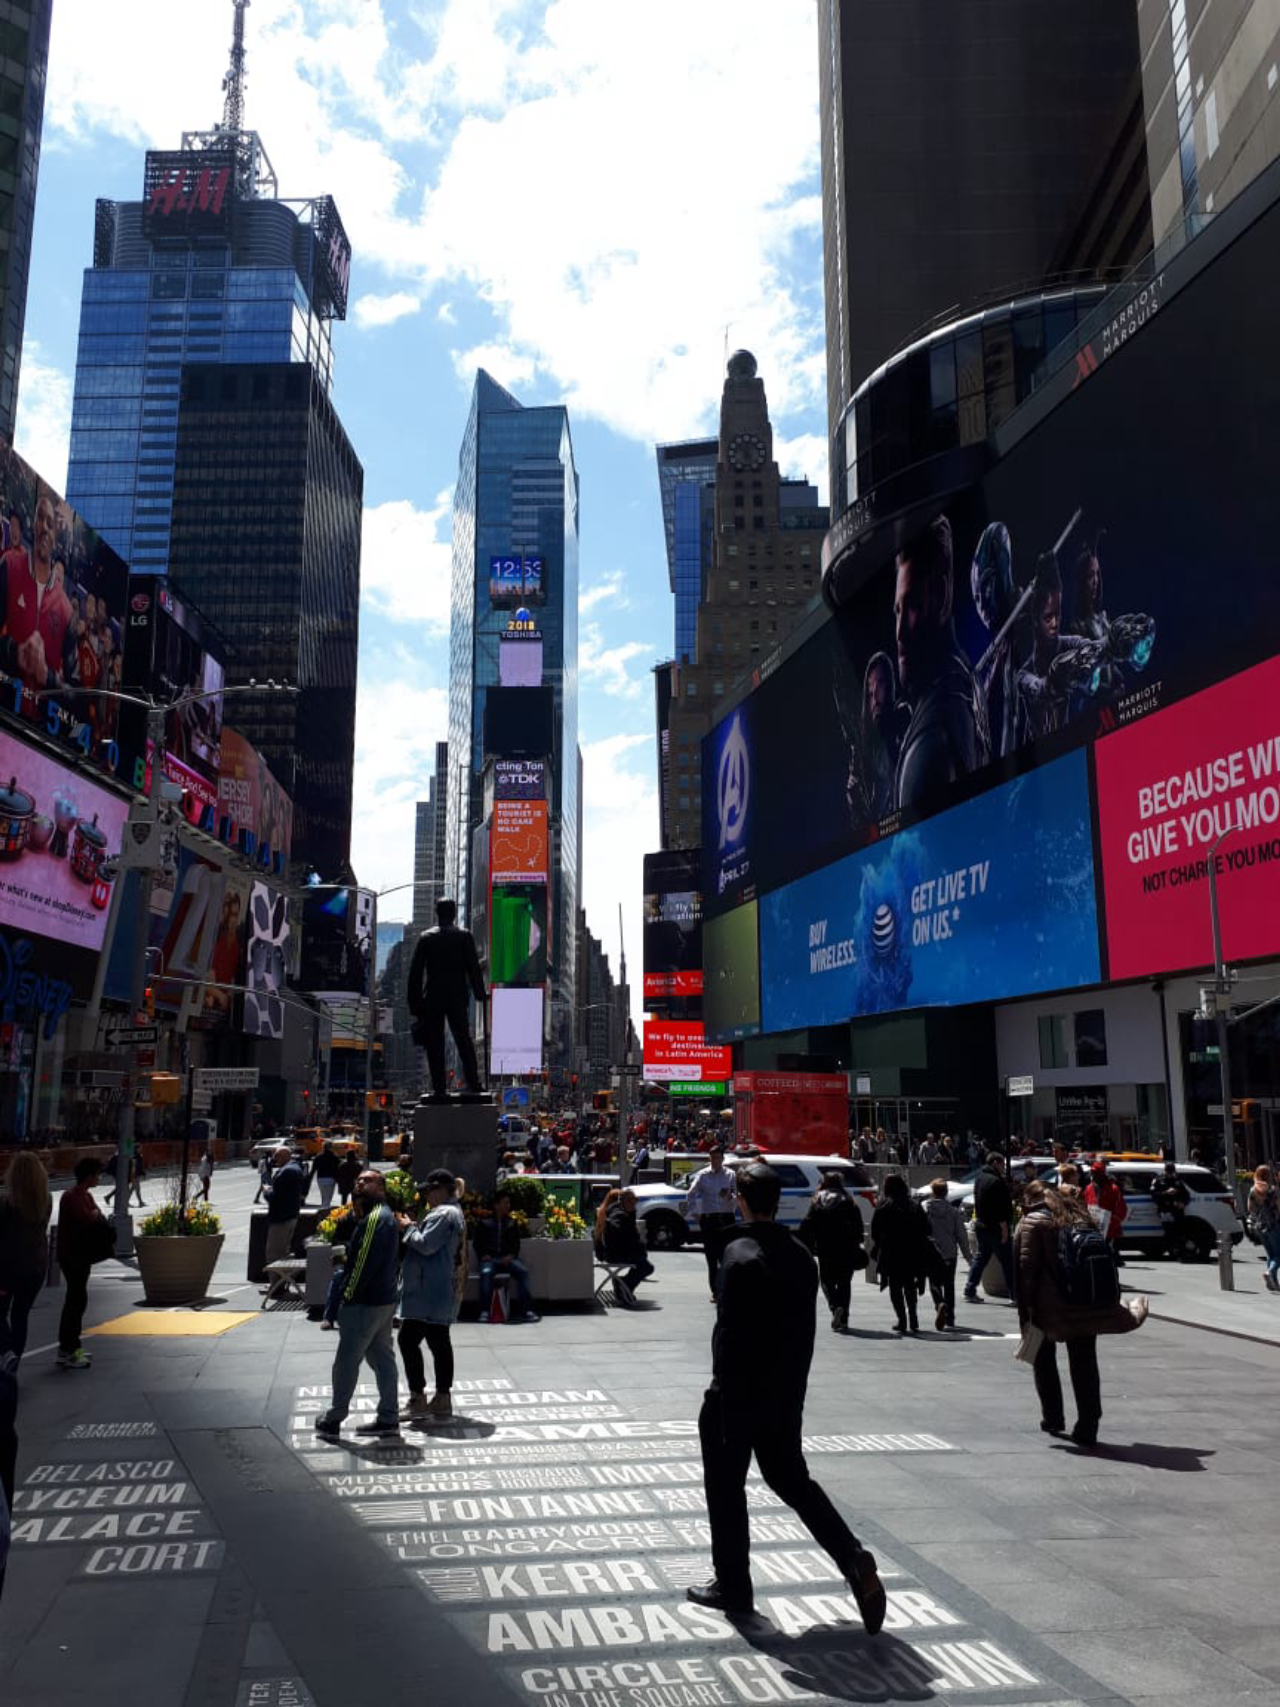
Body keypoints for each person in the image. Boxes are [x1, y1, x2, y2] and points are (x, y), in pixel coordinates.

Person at [686, 1161, 886, 1630]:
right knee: (793, 1481)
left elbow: (730, 1336)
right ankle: (852, 1557)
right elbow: (804, 1333)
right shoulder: (800, 1254)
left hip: (736, 1395)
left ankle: (734, 1585)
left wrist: (721, 1396)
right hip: (784, 1393)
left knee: (726, 1488)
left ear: (740, 1198)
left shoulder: (738, 1253)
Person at [1014, 1181, 1148, 1449]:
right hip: (1085, 1299)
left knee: (1043, 1359)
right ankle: (1088, 1425)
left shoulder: (1032, 1221)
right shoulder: (1079, 1216)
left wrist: (1024, 1308)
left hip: (1048, 1305)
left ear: (1031, 1198)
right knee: (1085, 1362)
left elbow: (1025, 1269)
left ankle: (1052, 1417)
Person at [892, 514, 987, 813]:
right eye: (897, 611)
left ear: (943, 593)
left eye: (913, 606)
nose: (900, 632)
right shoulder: (963, 677)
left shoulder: (930, 741)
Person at [313, 1170, 402, 1440]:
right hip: (383, 1300)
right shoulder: (382, 1217)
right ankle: (389, 1417)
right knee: (382, 1359)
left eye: (369, 1180)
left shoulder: (375, 1219)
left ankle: (334, 1418)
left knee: (346, 1363)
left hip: (364, 1303)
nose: (361, 1182)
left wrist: (346, 1296)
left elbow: (363, 1263)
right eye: (359, 1179)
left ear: (382, 1190)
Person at [398, 1168, 468, 1422]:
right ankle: (441, 1399)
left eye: (430, 1190)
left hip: (429, 1291)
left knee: (409, 1341)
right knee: (438, 1343)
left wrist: (407, 1227)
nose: (426, 1195)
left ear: (442, 1190)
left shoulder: (444, 1213)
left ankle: (420, 1399)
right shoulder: (451, 1212)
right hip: (436, 1289)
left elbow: (426, 1245)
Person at [406, 897, 487, 1098]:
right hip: (457, 997)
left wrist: (415, 1005)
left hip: (433, 997)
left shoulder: (426, 938)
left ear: (437, 913)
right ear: (453, 914)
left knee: (435, 1043)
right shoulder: (464, 936)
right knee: (464, 1040)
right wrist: (480, 993)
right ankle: (474, 1083)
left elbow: (414, 975)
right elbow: (474, 969)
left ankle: (439, 1088)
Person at [56, 1158, 109, 1370]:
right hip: (72, 1256)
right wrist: (95, 1214)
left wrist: (95, 1215)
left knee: (78, 1301)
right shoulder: (72, 1196)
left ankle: (71, 1349)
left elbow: (98, 1216)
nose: (99, 1177)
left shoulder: (86, 1195)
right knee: (75, 1302)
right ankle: (68, 1350)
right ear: (89, 1175)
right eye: (97, 1174)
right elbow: (89, 1217)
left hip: (82, 1255)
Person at [798, 1171, 865, 1333]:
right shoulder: (847, 1199)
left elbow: (808, 1222)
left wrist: (806, 1242)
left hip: (825, 1246)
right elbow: (857, 1222)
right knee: (844, 1281)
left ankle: (835, 1306)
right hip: (846, 1245)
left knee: (826, 1280)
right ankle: (844, 1318)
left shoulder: (818, 1198)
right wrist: (858, 1240)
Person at [0, 1153, 51, 1360]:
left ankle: (6, 1351)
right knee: (21, 1316)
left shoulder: (6, 1204)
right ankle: (14, 1363)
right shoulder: (46, 1201)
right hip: (35, 1269)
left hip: (7, 1269)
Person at [869, 1173, 930, 1334]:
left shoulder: (884, 1206)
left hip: (892, 1253)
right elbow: (926, 1229)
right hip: (912, 1252)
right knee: (910, 1285)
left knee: (895, 1287)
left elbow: (875, 1231)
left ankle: (902, 1320)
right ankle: (913, 1316)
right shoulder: (914, 1205)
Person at [473, 1192, 539, 1323]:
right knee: (486, 1273)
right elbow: (477, 1243)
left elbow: (516, 1244)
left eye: (508, 1203)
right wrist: (483, 1255)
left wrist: (511, 1256)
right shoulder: (484, 1223)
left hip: (507, 1258)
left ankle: (525, 1310)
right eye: (505, 1203)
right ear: (496, 1205)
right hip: (490, 1259)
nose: (508, 1206)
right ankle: (485, 1311)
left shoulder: (511, 1223)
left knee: (523, 1272)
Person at [684, 1145, 739, 1303]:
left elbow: (737, 1195)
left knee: (727, 1256)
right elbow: (690, 1194)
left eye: (718, 1158)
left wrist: (730, 1197)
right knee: (711, 1257)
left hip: (726, 1218)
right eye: (712, 1158)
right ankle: (715, 1291)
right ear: (709, 1159)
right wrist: (695, 1214)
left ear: (722, 1159)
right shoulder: (702, 1175)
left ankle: (726, 1288)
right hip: (709, 1219)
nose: (715, 1161)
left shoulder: (730, 1175)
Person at [964, 1151, 1016, 1303]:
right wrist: (1004, 1229)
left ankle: (970, 1289)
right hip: (996, 1227)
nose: (1003, 1167)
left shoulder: (980, 1179)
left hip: (982, 1224)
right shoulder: (995, 1181)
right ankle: (1013, 1294)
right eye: (1002, 1164)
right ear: (995, 1163)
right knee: (1007, 1260)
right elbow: (1000, 1208)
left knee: (981, 1257)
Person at [923, 1177, 970, 1330]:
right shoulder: (953, 1211)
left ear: (933, 1192)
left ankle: (939, 1302)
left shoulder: (925, 1208)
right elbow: (961, 1235)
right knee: (949, 1284)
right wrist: (968, 1256)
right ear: (946, 1193)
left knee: (934, 1282)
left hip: (931, 1251)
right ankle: (950, 1317)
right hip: (950, 1252)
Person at [600, 1188, 654, 1305]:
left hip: (617, 1251)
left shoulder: (622, 1212)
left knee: (643, 1262)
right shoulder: (619, 1215)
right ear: (622, 1201)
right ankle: (624, 1287)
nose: (634, 1203)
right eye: (630, 1200)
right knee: (647, 1267)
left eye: (635, 1200)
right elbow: (624, 1235)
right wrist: (639, 1244)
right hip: (617, 1253)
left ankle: (623, 1286)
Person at [262, 1146, 305, 1274]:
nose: (275, 1161)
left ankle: (276, 1285)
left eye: (276, 1158)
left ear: (283, 1156)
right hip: (292, 1215)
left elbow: (275, 1197)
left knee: (274, 1253)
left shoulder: (285, 1172)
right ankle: (282, 1283)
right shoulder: (296, 1168)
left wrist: (266, 1191)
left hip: (281, 1218)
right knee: (284, 1251)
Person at [1084, 1160, 1127, 1267]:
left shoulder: (1113, 1189)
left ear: (1102, 1174)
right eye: (1092, 1173)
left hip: (1109, 1229)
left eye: (1096, 1173)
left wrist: (1112, 1222)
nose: (1093, 1176)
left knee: (1109, 1258)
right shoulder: (1089, 1188)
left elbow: (1121, 1208)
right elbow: (1085, 1205)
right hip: (1093, 1228)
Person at [1247, 1165, 1280, 1293]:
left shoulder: (1252, 1190)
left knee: (1270, 1254)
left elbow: (1250, 1209)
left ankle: (1272, 1283)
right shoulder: (1273, 1190)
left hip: (1260, 1226)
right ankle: (1270, 1272)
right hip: (1273, 1225)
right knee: (1278, 1254)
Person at [1151, 1162, 1192, 1262]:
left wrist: (1183, 1203)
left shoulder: (1177, 1180)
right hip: (1165, 1209)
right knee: (1169, 1232)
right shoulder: (1158, 1180)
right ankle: (1172, 1252)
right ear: (1164, 1171)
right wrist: (1166, 1193)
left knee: (1180, 1232)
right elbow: (1154, 1195)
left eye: (1171, 1172)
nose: (1170, 1174)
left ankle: (1181, 1254)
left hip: (1177, 1210)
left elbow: (1187, 1195)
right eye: (1168, 1172)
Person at [310, 1142, 342, 1212]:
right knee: (329, 1196)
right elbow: (339, 1168)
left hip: (320, 1178)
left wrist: (309, 1177)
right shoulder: (334, 1157)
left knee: (323, 1195)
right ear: (331, 1147)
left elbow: (314, 1168)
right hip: (331, 1178)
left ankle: (324, 1209)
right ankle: (325, 1210)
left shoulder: (318, 1156)